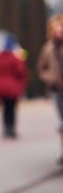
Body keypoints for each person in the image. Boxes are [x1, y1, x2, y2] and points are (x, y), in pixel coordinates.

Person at [36, 13, 63, 165]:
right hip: (57, 90)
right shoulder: (48, 48)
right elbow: (41, 68)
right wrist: (50, 77)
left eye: (60, 27)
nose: (57, 31)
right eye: (54, 28)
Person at [0, 34, 28, 139]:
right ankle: (11, 129)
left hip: (1, 86)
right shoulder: (15, 58)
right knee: (12, 108)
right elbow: (21, 72)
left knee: (5, 108)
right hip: (12, 86)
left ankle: (5, 128)